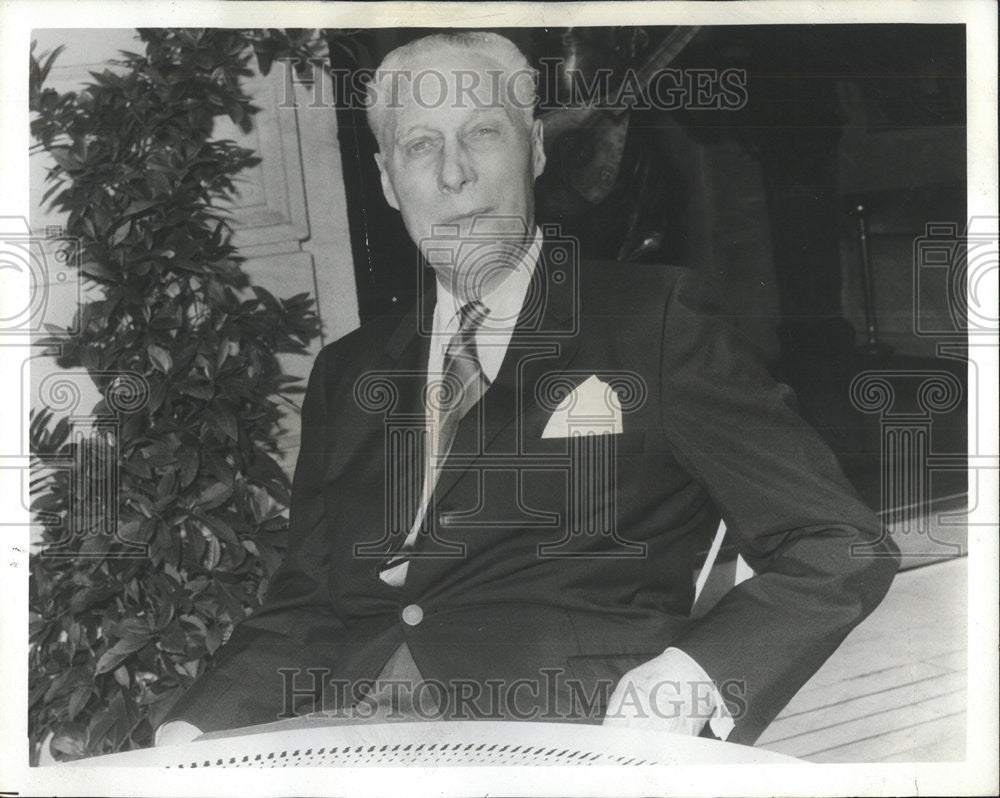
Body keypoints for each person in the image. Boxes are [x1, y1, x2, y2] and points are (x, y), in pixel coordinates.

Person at [156, 31, 899, 748]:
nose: (454, 176)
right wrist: (188, 732)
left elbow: (840, 542)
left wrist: (691, 677)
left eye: (481, 134)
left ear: (536, 147)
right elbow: (305, 610)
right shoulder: (349, 371)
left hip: (557, 733)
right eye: (421, 146)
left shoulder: (654, 324)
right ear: (388, 181)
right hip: (350, 737)